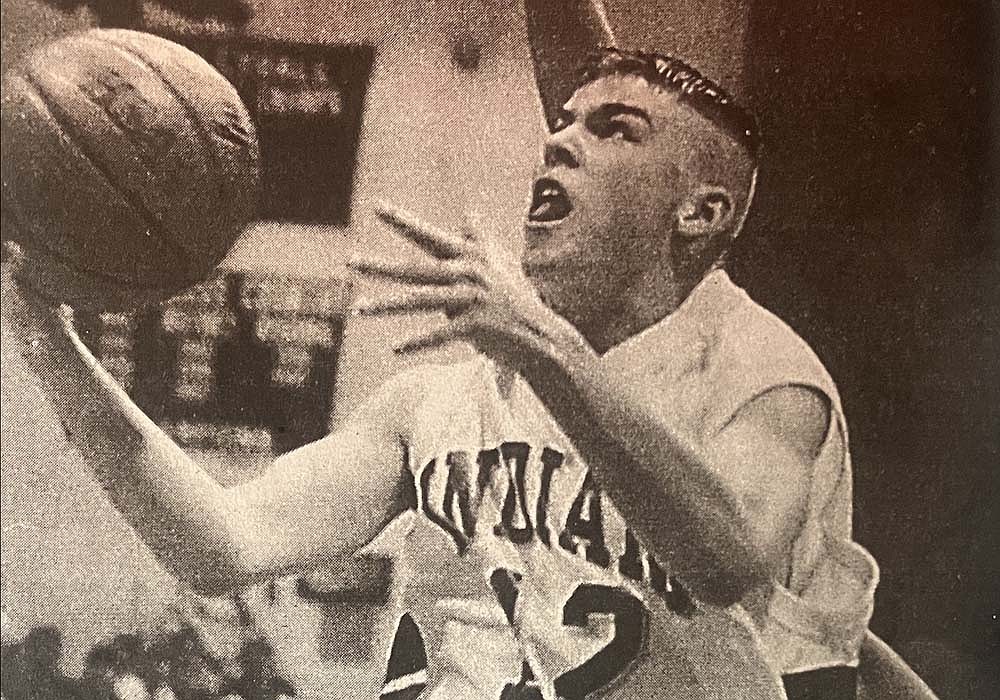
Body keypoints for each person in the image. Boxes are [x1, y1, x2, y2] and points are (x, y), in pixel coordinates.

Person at [3, 2, 877, 699]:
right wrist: (48, 339)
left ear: (702, 213)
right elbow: (220, 545)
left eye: (614, 128)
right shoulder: (438, 401)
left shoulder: (765, 376)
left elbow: (729, 561)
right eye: (562, 121)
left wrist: (543, 348)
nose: (561, 138)